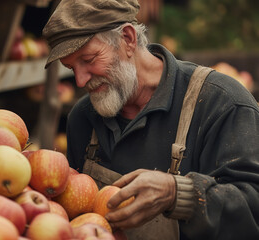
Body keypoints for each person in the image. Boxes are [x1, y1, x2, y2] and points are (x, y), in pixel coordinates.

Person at [42, 0, 259, 239]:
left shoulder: (221, 103)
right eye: (71, 68)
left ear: (127, 39)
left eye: (89, 59)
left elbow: (253, 207)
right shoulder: (82, 118)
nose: (81, 82)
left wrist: (177, 194)